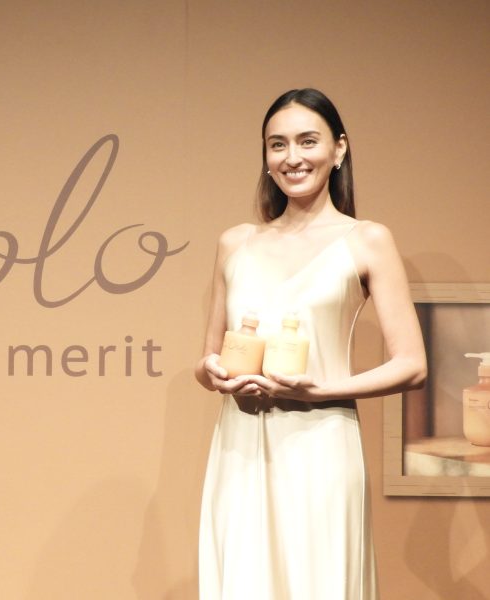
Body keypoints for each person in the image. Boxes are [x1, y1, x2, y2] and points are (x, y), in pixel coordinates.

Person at [194, 88, 426, 600]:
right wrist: (213, 372)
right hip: (240, 446)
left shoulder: (366, 240)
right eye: (277, 144)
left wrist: (317, 390)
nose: (292, 157)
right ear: (265, 156)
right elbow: (209, 357)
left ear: (338, 149)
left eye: (307, 141)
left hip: (320, 443)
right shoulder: (235, 242)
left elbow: (412, 364)